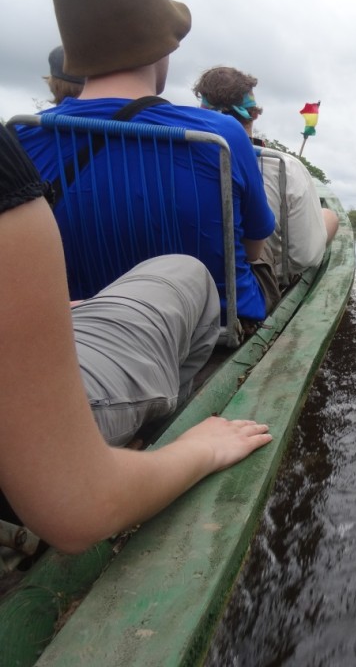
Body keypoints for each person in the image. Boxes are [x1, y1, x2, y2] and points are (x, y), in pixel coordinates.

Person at [0, 123, 272, 554]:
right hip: (39, 441)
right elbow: (79, 502)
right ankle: (161, 429)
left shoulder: (27, 130)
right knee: (186, 269)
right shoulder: (222, 135)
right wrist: (199, 450)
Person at [16, 0, 278, 327]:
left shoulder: (22, 136)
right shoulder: (220, 135)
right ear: (160, 47)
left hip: (83, 329)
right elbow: (254, 249)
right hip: (215, 328)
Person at [193, 66, 339, 287]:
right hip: (255, 283)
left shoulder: (178, 156)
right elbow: (304, 257)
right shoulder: (281, 166)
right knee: (330, 216)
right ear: (253, 115)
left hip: (195, 275)